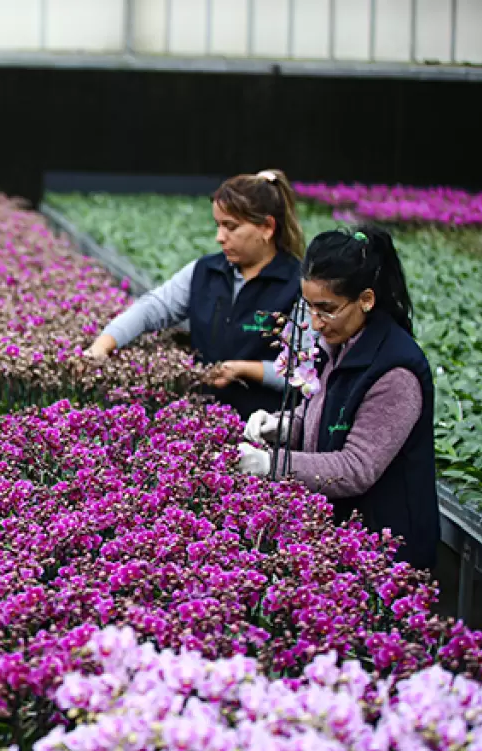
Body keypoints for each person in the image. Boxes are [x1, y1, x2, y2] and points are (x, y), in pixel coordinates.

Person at [237, 225, 439, 570]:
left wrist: (273, 465)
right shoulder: (337, 345)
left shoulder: (395, 372)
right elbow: (318, 418)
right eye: (309, 308)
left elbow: (357, 467)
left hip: (387, 556)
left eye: (327, 309)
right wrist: (280, 427)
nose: (315, 323)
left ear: (366, 299)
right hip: (344, 538)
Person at [85, 169, 306, 418]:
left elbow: (307, 374)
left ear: (266, 227)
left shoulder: (298, 285)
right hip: (202, 421)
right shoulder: (206, 271)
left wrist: (246, 369)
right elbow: (152, 309)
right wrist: (103, 344)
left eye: (230, 227)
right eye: (218, 225)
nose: (219, 237)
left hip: (265, 428)